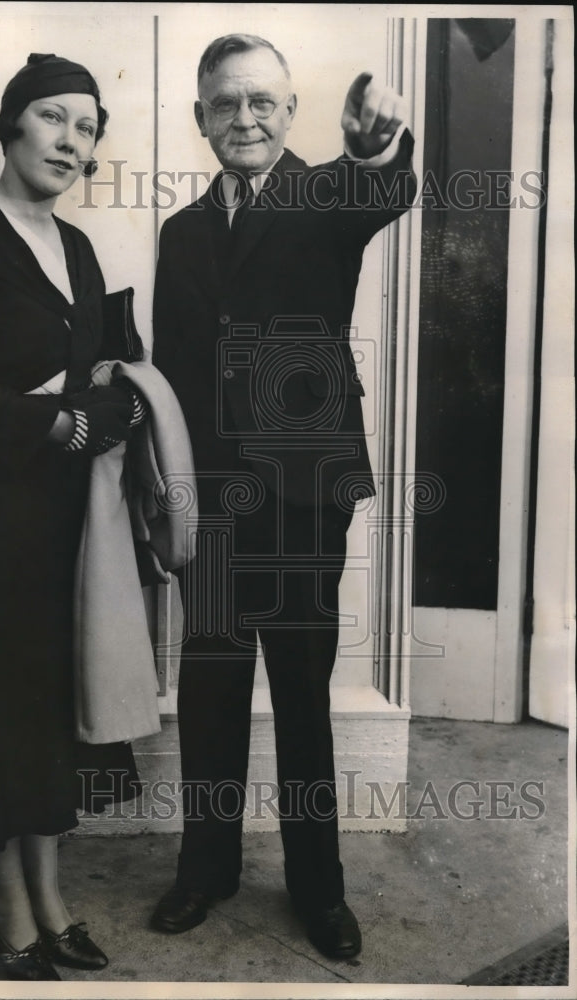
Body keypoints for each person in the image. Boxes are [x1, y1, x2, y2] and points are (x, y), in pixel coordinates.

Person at [150, 34, 416, 959]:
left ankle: (319, 891)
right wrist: (171, 497)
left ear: (291, 113)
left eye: (263, 102)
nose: (246, 119)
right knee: (210, 687)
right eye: (226, 104)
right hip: (213, 510)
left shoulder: (322, 194)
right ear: (201, 119)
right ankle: (206, 869)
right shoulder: (180, 234)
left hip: (303, 501)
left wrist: (377, 147)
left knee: (303, 696)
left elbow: (384, 188)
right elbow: (177, 378)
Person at [0, 53, 145, 981]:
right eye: (52, 118)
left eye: (86, 127)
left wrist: (112, 403)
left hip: (70, 520)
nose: (68, 140)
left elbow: (110, 370)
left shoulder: (80, 249)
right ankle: (1, 901)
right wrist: (55, 418)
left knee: (53, 706)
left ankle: (50, 894)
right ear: (11, 127)